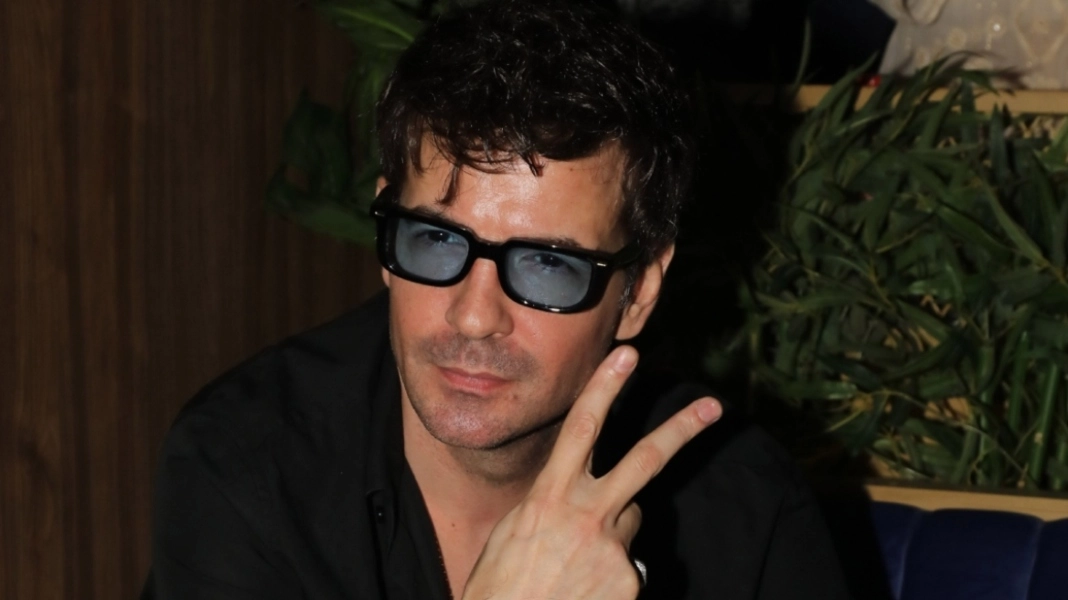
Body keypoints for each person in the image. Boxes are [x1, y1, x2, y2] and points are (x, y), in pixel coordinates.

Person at [142, 1, 850, 598]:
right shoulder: (247, 465)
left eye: (546, 264)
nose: (474, 316)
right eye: (436, 241)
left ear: (638, 292)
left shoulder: (741, 511)